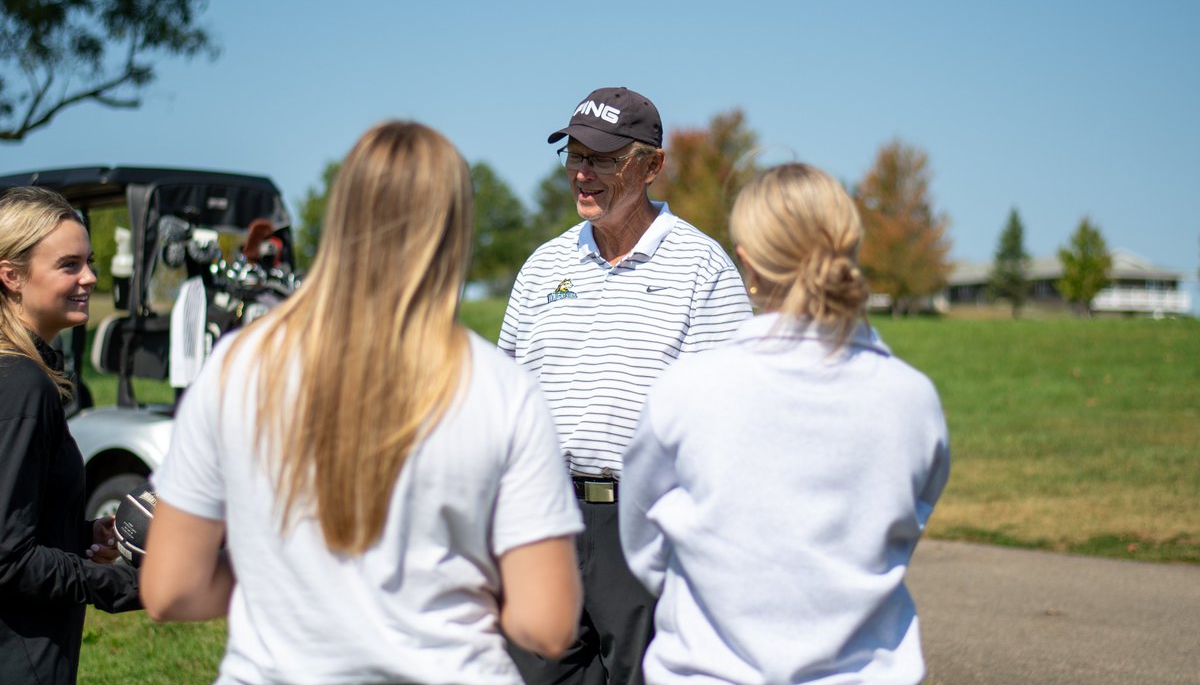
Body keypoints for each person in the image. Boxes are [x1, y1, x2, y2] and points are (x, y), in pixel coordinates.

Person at [141, 121, 584, 684]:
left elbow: (170, 588)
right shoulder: (502, 389)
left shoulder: (235, 366)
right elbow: (545, 623)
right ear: (454, 229)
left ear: (341, 214)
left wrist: (279, 584)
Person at [619, 163, 952, 684]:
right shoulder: (913, 398)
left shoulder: (686, 390)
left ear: (748, 266)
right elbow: (904, 529)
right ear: (850, 251)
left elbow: (643, 543)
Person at [500, 87, 752, 684]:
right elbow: (502, 401)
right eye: (575, 155)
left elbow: (731, 417)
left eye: (605, 159)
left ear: (653, 166)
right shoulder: (542, 268)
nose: (583, 173)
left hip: (646, 524)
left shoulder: (702, 267)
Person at [0, 186, 141, 685]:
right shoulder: (21, 385)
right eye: (69, 265)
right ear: (11, 276)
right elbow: (8, 560)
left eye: (90, 262)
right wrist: (132, 584)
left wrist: (80, 534)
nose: (90, 278)